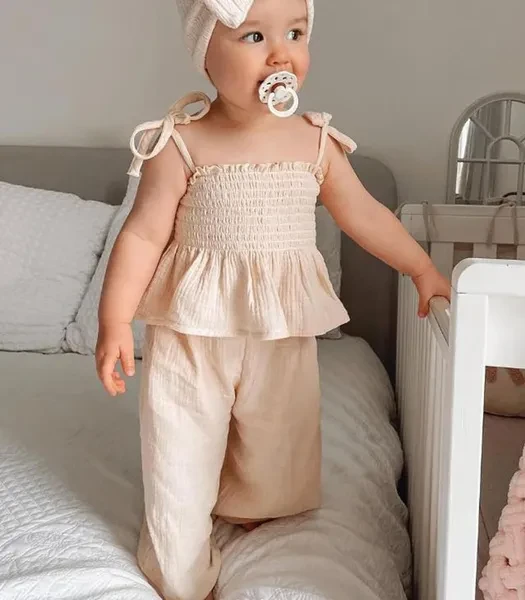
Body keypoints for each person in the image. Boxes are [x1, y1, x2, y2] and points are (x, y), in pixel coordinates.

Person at [95, 0, 451, 598]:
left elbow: (364, 214)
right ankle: (179, 565)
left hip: (280, 324)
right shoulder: (180, 143)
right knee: (179, 444)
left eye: (296, 32)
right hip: (191, 332)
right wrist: (113, 321)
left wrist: (420, 266)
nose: (281, 54)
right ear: (205, 53)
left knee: (276, 433)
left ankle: (248, 503)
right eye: (254, 36)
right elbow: (143, 235)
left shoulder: (315, 143)